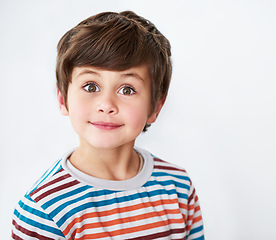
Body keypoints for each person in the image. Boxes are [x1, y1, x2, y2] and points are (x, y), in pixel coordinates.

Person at [11, 11, 204, 240]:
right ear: (63, 99)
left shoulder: (179, 187)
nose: (106, 105)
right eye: (91, 86)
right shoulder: (44, 209)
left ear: (155, 107)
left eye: (127, 89)